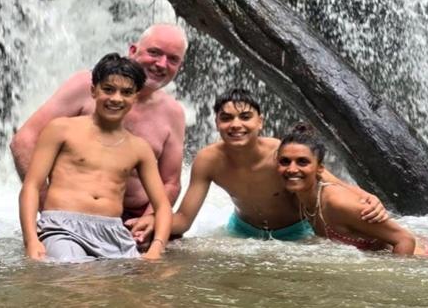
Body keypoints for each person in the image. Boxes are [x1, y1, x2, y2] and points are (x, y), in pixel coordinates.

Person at [11, 23, 187, 239]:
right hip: (73, 212)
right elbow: (24, 141)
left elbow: (170, 182)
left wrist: (151, 217)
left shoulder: (173, 112)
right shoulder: (86, 86)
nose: (161, 64)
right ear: (133, 50)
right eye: (154, 53)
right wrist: (46, 204)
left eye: (173, 59)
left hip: (133, 220)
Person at [157, 88, 388, 242]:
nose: (236, 125)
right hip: (241, 233)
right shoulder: (208, 160)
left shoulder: (283, 154)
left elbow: (332, 183)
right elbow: (184, 220)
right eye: (226, 118)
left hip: (297, 234)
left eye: (245, 117)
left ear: (260, 122)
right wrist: (154, 222)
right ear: (216, 123)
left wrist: (368, 198)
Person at [19, 53, 171, 262]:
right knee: (73, 271)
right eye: (108, 89)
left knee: (148, 279)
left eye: (126, 92)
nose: (116, 98)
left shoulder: (139, 148)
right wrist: (31, 240)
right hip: (62, 228)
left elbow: (162, 206)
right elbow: (31, 186)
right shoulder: (62, 129)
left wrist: (157, 247)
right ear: (93, 90)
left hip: (113, 233)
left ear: (135, 97)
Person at [278, 122, 428, 255]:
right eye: (285, 161)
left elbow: (405, 239)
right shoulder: (303, 196)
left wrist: (395, 279)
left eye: (302, 162)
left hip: (425, 260)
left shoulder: (338, 203)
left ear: (320, 168)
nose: (291, 169)